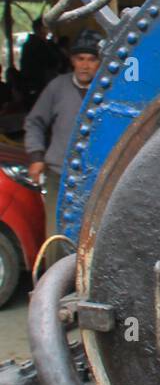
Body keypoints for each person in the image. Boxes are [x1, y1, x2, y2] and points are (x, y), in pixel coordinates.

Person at [24, 29, 102, 263]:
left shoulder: (107, 91)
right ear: (72, 60)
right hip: (59, 177)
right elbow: (34, 121)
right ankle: (54, 293)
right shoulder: (57, 88)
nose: (85, 65)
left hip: (98, 178)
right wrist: (36, 156)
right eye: (80, 59)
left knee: (96, 239)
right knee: (56, 239)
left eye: (91, 59)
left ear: (100, 62)